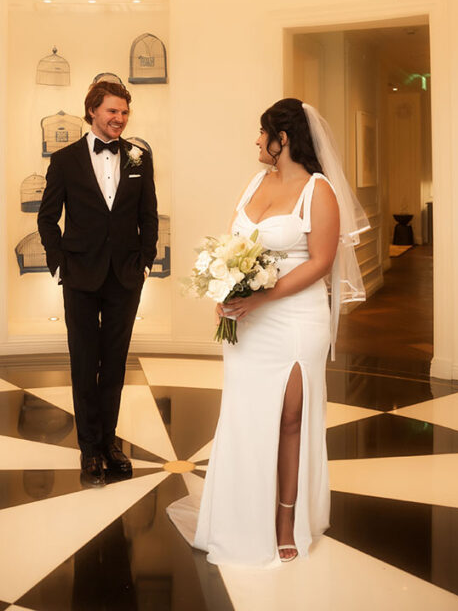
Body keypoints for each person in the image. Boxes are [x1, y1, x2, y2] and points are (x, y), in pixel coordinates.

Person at [168, 99, 368, 565]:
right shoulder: (256, 182)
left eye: (263, 133)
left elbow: (320, 262)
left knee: (290, 418)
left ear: (285, 139)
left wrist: (261, 296)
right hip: (249, 320)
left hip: (296, 319)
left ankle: (286, 520)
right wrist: (225, 287)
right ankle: (238, 517)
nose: (257, 141)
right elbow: (234, 243)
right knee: (243, 415)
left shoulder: (318, 191)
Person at [38, 81, 158, 485]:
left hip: (125, 276)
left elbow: (149, 213)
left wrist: (145, 260)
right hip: (80, 277)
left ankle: (109, 442)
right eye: (112, 112)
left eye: (124, 112)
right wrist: (59, 265)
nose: (119, 119)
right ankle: (88, 450)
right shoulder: (65, 160)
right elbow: (46, 218)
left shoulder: (140, 157)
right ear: (92, 111)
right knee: (84, 363)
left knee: (115, 366)